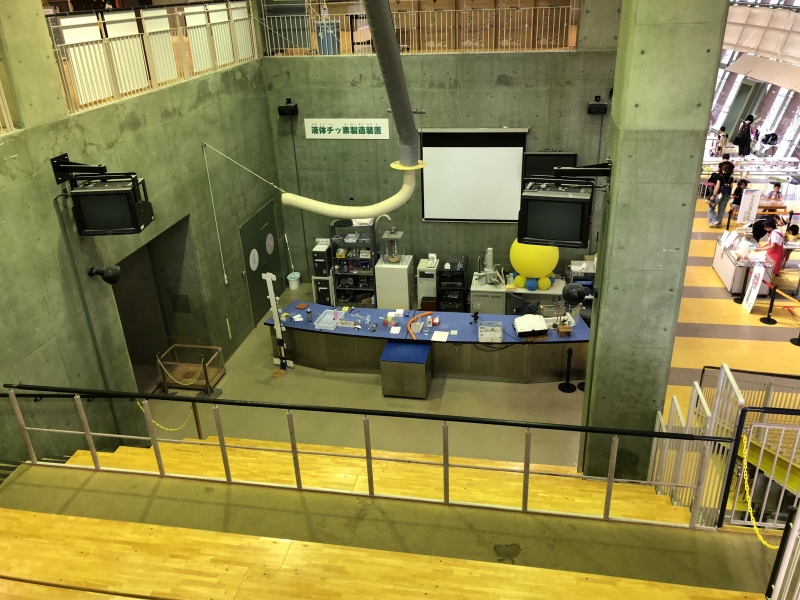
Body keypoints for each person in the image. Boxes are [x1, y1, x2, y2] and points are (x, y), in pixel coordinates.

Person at [708, 162, 734, 228]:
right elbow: (731, 187)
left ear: (723, 169)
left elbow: (717, 187)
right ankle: (719, 223)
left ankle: (714, 221)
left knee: (711, 207)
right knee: (721, 210)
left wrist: (713, 195)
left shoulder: (720, 176)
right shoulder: (731, 178)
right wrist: (729, 195)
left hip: (719, 194)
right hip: (726, 196)